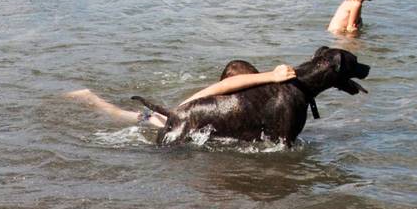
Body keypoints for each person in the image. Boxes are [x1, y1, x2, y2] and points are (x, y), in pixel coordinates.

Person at [67, 61, 296, 127]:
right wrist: (270, 76)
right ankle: (90, 99)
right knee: (121, 115)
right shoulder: (211, 101)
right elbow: (221, 88)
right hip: (163, 120)